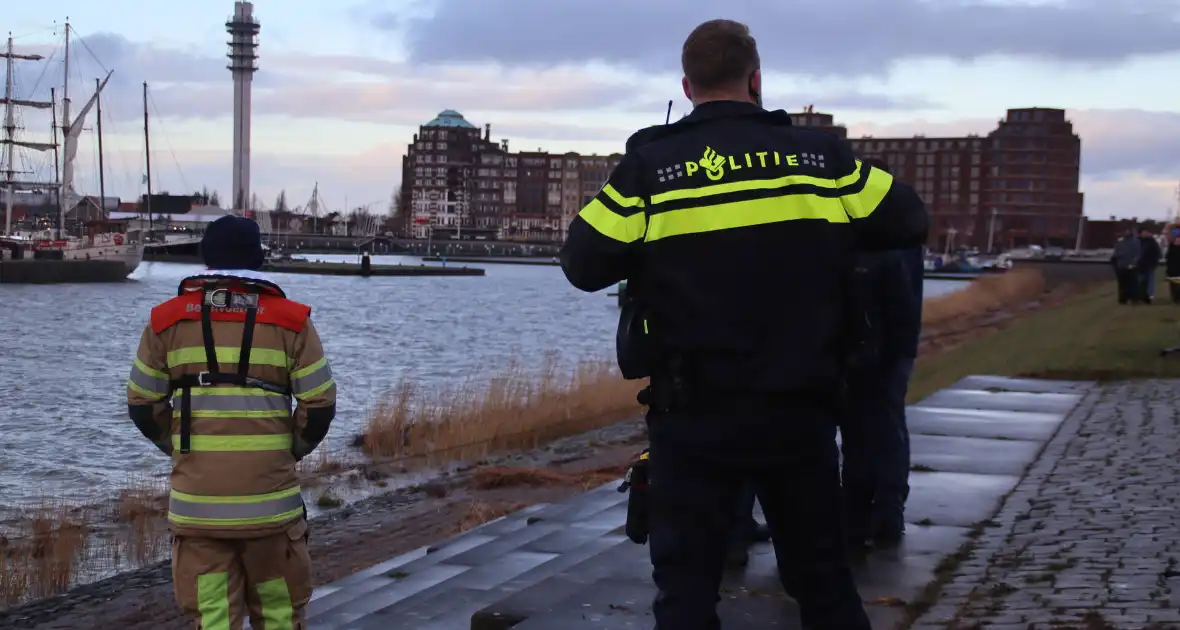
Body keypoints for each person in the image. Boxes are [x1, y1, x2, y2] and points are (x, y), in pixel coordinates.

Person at [560, 18, 928, 630]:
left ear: (686, 84)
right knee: (824, 584)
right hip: (800, 409)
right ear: (757, 79)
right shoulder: (821, 160)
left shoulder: (651, 170)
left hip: (693, 414)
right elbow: (907, 219)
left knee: (686, 594)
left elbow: (581, 262)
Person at [126, 215, 337, 629]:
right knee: (278, 614)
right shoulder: (291, 321)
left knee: (214, 618)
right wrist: (288, 449)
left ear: (207, 258)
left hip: (198, 510)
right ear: (257, 259)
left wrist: (181, 446)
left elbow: (142, 403)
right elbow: (320, 403)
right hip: (272, 510)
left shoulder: (165, 321)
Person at [1111, 228, 1141, 304]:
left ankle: (1134, 298)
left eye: (1127, 231)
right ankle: (1123, 299)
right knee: (1122, 284)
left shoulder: (1135, 242)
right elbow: (1115, 254)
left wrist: (1134, 262)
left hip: (1131, 265)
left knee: (1133, 283)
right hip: (1121, 265)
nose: (1126, 232)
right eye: (1124, 231)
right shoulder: (1120, 242)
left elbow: (1138, 253)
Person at [1137, 228, 1162, 304]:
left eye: (1146, 232)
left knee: (1150, 280)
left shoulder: (1152, 242)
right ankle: (1141, 295)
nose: (1145, 234)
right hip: (1140, 265)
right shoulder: (1138, 242)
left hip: (1150, 264)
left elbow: (1157, 252)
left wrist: (1155, 262)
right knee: (1141, 280)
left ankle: (1150, 295)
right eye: (1143, 232)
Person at [1166, 234, 1180, 304]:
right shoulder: (1171, 249)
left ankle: (1178, 298)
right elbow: (1168, 259)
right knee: (1173, 285)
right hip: (1173, 270)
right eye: (1177, 240)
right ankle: (1175, 298)